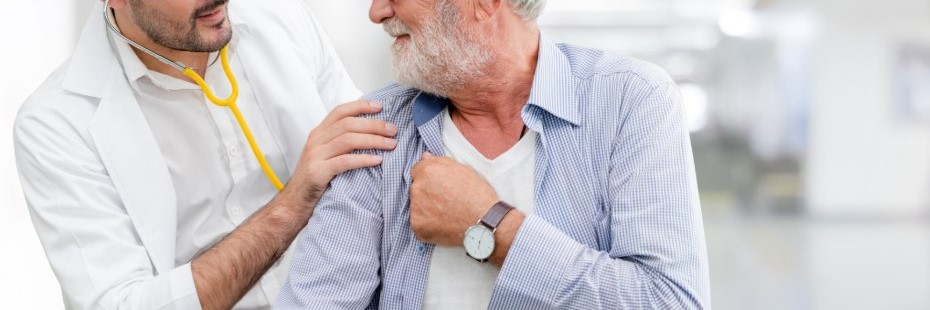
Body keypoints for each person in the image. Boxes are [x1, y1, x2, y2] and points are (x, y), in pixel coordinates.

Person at [277, 0, 711, 309]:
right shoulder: (377, 127)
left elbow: (668, 300)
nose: (376, 11)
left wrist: (487, 224)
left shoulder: (630, 102)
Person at [13, 0, 398, 308]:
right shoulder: (55, 123)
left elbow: (374, 171)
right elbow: (121, 303)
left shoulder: (284, 20)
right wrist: (292, 204)